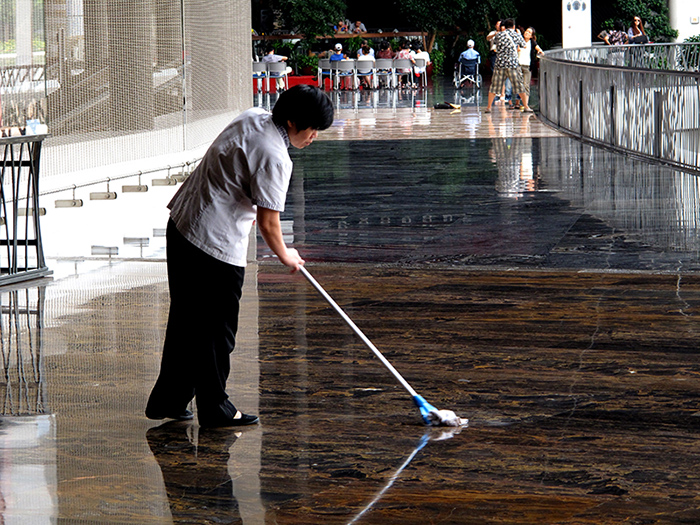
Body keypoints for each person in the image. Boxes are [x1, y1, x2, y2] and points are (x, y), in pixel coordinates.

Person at [145, 85, 334, 428]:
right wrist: (287, 255)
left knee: (188, 320)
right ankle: (215, 406)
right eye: (312, 129)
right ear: (293, 122)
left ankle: (169, 399)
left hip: (183, 225)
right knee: (218, 331)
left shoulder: (253, 116)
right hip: (212, 245)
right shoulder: (275, 156)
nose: (314, 137)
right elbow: (269, 221)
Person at [485, 18, 533, 113]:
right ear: (514, 26)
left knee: (494, 86)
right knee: (519, 86)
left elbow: (495, 43)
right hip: (513, 64)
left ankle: (489, 107)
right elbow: (524, 45)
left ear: (505, 26)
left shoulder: (499, 35)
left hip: (500, 64)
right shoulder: (516, 35)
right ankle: (526, 106)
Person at [513, 27, 544, 109]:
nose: (527, 33)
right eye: (526, 31)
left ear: (531, 36)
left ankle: (525, 104)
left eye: (529, 32)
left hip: (527, 66)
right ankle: (518, 102)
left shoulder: (532, 42)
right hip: (518, 65)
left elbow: (538, 48)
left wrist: (540, 51)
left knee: (526, 85)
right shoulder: (519, 40)